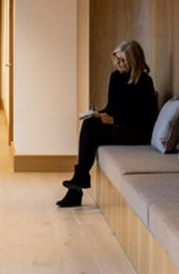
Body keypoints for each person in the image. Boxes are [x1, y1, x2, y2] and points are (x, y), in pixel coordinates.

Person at [57, 40, 158, 207]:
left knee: (92, 133)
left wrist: (115, 120)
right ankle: (78, 184)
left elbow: (143, 117)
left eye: (123, 60)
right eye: (116, 59)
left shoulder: (145, 82)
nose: (118, 63)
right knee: (89, 123)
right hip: (120, 126)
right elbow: (112, 107)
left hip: (137, 131)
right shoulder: (115, 77)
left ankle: (77, 185)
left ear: (134, 60)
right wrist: (100, 114)